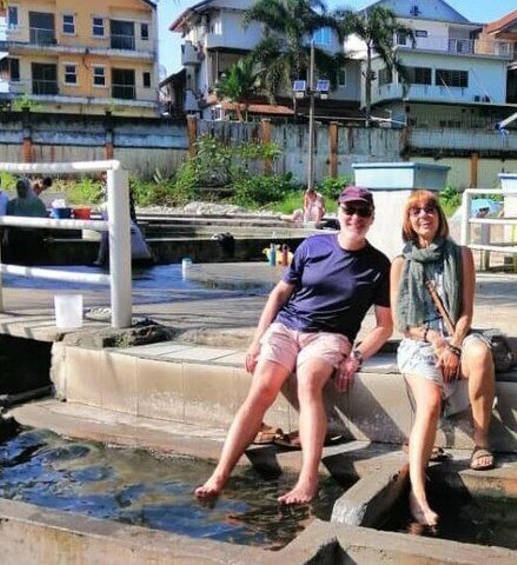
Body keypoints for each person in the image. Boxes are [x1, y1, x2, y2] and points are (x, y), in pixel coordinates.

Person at [195, 186, 393, 504]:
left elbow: (385, 326)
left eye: (362, 212)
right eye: (349, 210)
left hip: (330, 336)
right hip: (287, 327)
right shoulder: (313, 246)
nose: (355, 217)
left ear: (371, 218)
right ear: (338, 213)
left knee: (308, 382)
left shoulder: (379, 265)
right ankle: (219, 474)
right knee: (261, 387)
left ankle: (307, 480)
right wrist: (256, 341)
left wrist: (355, 357)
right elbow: (279, 294)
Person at [390, 190, 496, 527]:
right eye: (416, 211)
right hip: (419, 342)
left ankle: (480, 441)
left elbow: (466, 312)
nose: (424, 215)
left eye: (431, 209)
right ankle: (417, 495)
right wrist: (433, 339)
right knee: (431, 402)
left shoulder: (461, 255)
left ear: (440, 215)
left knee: (480, 353)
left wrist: (452, 344)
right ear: (409, 221)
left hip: (456, 336)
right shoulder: (400, 264)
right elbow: (401, 324)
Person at [4, 176, 49, 264]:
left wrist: (47, 235)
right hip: (17, 239)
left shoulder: (37, 203)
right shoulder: (12, 204)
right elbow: (8, 222)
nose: (21, 190)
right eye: (18, 188)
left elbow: (44, 221)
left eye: (23, 187)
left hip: (33, 239)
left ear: (28, 188)